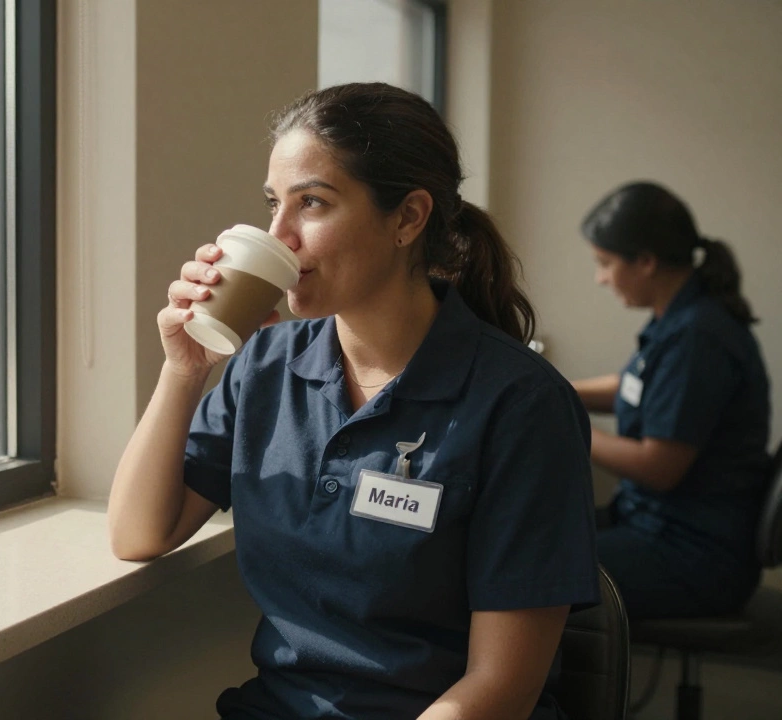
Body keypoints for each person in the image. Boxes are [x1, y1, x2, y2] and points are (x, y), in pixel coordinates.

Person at [109, 82, 599, 720]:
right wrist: (184, 368)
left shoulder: (520, 404)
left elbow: (501, 687)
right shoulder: (263, 367)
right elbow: (138, 533)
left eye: (311, 203)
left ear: (408, 218)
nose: (280, 236)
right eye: (272, 205)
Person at [572, 181, 772, 620]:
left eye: (605, 263)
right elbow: (632, 386)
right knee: (533, 539)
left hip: (692, 554)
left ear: (645, 262)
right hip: (655, 528)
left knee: (531, 571)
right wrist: (560, 389)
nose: (600, 277)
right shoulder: (681, 320)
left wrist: (568, 421)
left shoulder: (699, 337)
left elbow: (658, 467)